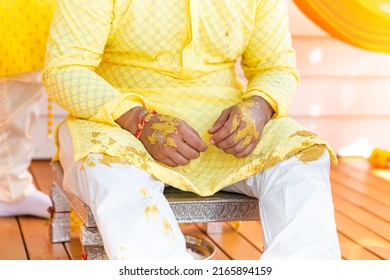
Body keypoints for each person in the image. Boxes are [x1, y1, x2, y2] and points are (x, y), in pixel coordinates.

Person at [43, 0, 341, 260]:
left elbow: (275, 66)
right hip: (116, 122)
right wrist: (139, 121)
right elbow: (65, 69)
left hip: (221, 130)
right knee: (108, 170)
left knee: (303, 159)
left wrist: (258, 108)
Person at [0, 0, 56, 219]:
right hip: (14, 26)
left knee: (20, 107)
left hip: (27, 21)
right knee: (13, 109)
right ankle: (12, 190)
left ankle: (13, 188)